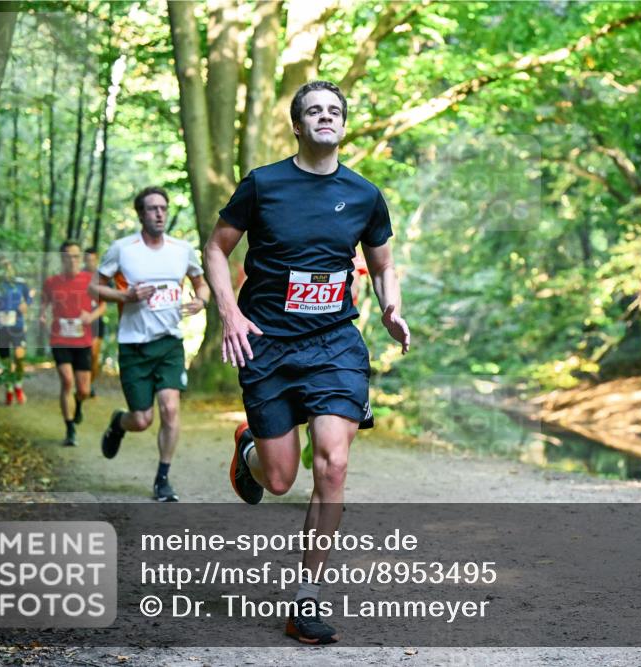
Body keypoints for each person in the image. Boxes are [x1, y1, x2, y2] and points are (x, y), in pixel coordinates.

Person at [204, 80, 410, 645]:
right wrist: (229, 314)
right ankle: (250, 447)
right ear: (297, 125)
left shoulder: (365, 194)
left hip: (333, 342)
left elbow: (384, 264)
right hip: (267, 342)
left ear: (343, 126)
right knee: (279, 480)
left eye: (335, 110)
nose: (326, 116)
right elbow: (216, 249)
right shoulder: (263, 185)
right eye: (314, 110)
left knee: (334, 464)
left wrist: (391, 306)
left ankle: (308, 596)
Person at [89, 186, 210, 502]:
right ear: (140, 214)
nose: (159, 213)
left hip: (170, 342)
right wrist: (124, 296)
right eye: (152, 208)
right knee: (142, 419)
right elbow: (95, 287)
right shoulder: (122, 249)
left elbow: (202, 283)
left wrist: (201, 301)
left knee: (170, 409)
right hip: (134, 345)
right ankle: (119, 422)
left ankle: (162, 479)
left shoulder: (182, 250)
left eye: (163, 208)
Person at [40, 240, 102, 446]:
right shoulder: (51, 282)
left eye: (76, 256)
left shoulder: (90, 280)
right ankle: (70, 430)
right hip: (60, 339)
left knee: (83, 390)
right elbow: (43, 304)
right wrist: (42, 317)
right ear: (62, 259)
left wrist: (90, 317)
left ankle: (78, 405)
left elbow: (102, 306)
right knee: (67, 381)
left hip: (82, 340)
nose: (73, 260)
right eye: (69, 257)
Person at [0, 257, 33, 405]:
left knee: (19, 356)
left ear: (13, 268)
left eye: (8, 265)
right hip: (1, 328)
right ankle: (8, 389)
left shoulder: (20, 284)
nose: (6, 269)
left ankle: (18, 387)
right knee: (6, 362)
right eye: (2, 266)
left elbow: (28, 302)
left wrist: (25, 306)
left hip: (17, 326)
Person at [83, 248, 108, 396]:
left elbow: (104, 305)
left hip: (96, 321)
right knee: (80, 354)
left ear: (96, 259)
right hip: (79, 321)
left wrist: (92, 316)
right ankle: (80, 382)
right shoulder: (78, 276)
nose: (90, 262)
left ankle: (90, 384)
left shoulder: (102, 278)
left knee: (93, 355)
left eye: (92, 260)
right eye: (87, 260)